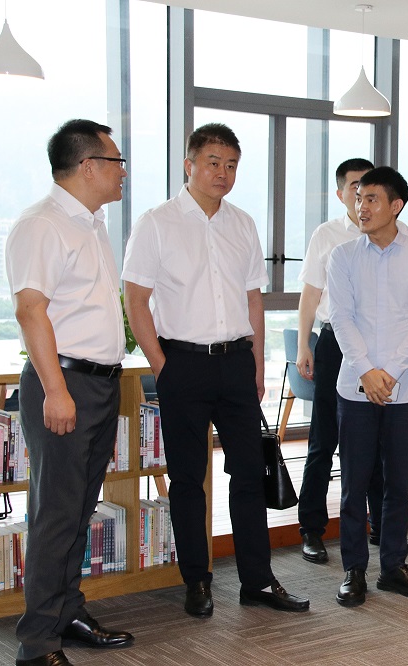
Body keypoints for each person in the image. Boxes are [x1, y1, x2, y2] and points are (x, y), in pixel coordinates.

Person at [123, 123, 308, 618]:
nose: (222, 173)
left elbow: (253, 299)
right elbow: (135, 300)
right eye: (212, 162)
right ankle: (197, 580)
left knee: (249, 473)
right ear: (189, 165)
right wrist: (161, 366)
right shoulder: (156, 223)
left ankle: (258, 580)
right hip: (181, 364)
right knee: (188, 478)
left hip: (235, 364)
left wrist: (257, 363)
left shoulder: (242, 223)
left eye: (231, 165)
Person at [7, 119, 134, 666]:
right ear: (88, 166)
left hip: (98, 384)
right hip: (64, 384)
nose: (123, 171)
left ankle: (67, 613)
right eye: (117, 161)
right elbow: (30, 310)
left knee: (80, 510)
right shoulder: (43, 224)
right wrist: (55, 392)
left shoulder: (92, 224)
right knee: (55, 515)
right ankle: (37, 644)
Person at [327, 166, 408, 607]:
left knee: (397, 483)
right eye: (358, 198)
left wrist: (389, 373)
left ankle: (393, 566)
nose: (361, 207)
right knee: (354, 485)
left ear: (396, 206)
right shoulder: (343, 257)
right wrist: (366, 371)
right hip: (355, 388)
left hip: (404, 388)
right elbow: (342, 318)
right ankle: (354, 570)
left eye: (371, 199)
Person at [296, 158, 408, 564]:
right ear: (341, 193)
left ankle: (382, 528)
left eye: (369, 191)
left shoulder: (407, 240)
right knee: (325, 440)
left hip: (388, 353)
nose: (361, 199)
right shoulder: (329, 237)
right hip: (339, 345)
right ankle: (312, 529)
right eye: (355, 189)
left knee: (382, 446)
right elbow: (312, 295)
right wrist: (303, 344)